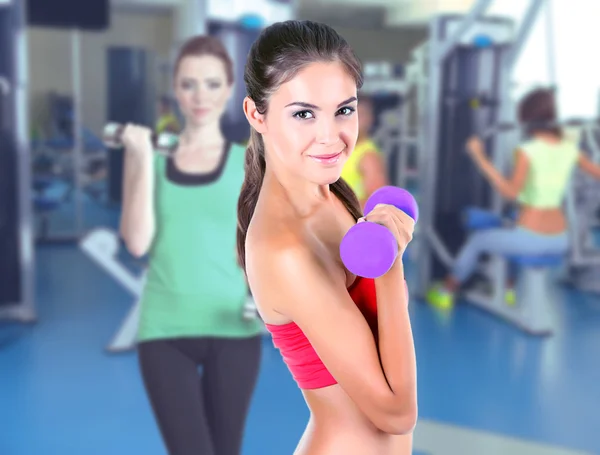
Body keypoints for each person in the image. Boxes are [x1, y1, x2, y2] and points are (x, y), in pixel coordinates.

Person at [237, 20, 417, 455]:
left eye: (344, 109)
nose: (331, 137)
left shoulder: (331, 193)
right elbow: (395, 413)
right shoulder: (284, 251)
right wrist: (391, 266)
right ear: (256, 115)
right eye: (303, 113)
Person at [119, 35, 263, 455]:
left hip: (234, 329)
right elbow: (137, 242)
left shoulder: (248, 161)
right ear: (175, 89)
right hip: (165, 330)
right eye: (189, 84)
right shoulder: (149, 158)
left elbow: (260, 245)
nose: (200, 96)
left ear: (230, 88)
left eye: (212, 84)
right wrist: (143, 161)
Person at [426, 87, 600, 309]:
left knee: (478, 239)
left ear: (527, 118)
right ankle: (507, 290)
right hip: (561, 240)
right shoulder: (570, 149)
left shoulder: (528, 150)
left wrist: (479, 157)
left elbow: (510, 192)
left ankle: (445, 291)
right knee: (508, 228)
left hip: (532, 239)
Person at [341, 94, 388, 207]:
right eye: (350, 114)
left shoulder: (368, 156)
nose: (354, 121)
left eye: (360, 115)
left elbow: (378, 204)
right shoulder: (337, 148)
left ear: (370, 119)